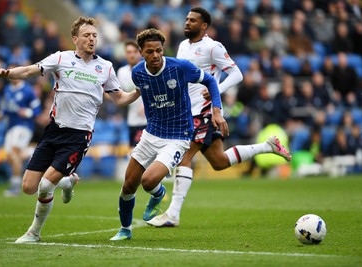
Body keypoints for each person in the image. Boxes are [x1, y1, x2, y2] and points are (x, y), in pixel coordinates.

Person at [0, 17, 140, 243]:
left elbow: (119, 98)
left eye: (94, 35)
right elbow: (31, 70)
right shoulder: (61, 58)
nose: (92, 39)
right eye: (87, 35)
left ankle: (34, 233)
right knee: (28, 187)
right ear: (75, 39)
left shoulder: (105, 67)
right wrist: (8, 73)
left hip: (78, 136)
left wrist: (138, 91)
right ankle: (68, 181)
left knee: (44, 186)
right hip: (53, 131)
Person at [147, 7, 292, 228]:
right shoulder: (183, 46)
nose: (187, 22)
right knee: (219, 162)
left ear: (204, 26)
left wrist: (218, 90)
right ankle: (268, 146)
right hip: (187, 111)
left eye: (193, 20)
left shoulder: (213, 47)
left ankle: (173, 214)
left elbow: (237, 73)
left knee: (184, 157)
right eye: (186, 19)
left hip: (205, 111)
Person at [110, 28, 228, 241]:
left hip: (178, 136)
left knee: (148, 181)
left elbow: (210, 81)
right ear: (141, 52)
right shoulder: (137, 73)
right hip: (151, 134)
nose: (155, 55)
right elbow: (137, 94)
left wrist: (217, 111)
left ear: (163, 50)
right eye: (149, 52)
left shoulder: (180, 67)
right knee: (128, 185)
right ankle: (125, 229)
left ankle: (159, 193)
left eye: (158, 50)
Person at [0, 73, 41, 197]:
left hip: (23, 126)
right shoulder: (7, 90)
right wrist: (0, 114)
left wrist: (27, 112)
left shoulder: (27, 90)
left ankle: (15, 186)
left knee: (14, 153)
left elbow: (37, 109)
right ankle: (31, 153)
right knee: (10, 157)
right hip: (10, 127)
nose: (12, 76)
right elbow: (6, 107)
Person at [117, 40, 147, 148]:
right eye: (129, 52)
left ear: (140, 53)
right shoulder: (121, 72)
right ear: (125, 54)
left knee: (145, 153)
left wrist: (145, 104)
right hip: (132, 120)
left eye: (135, 51)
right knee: (134, 152)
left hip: (148, 120)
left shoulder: (147, 69)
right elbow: (120, 94)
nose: (132, 55)